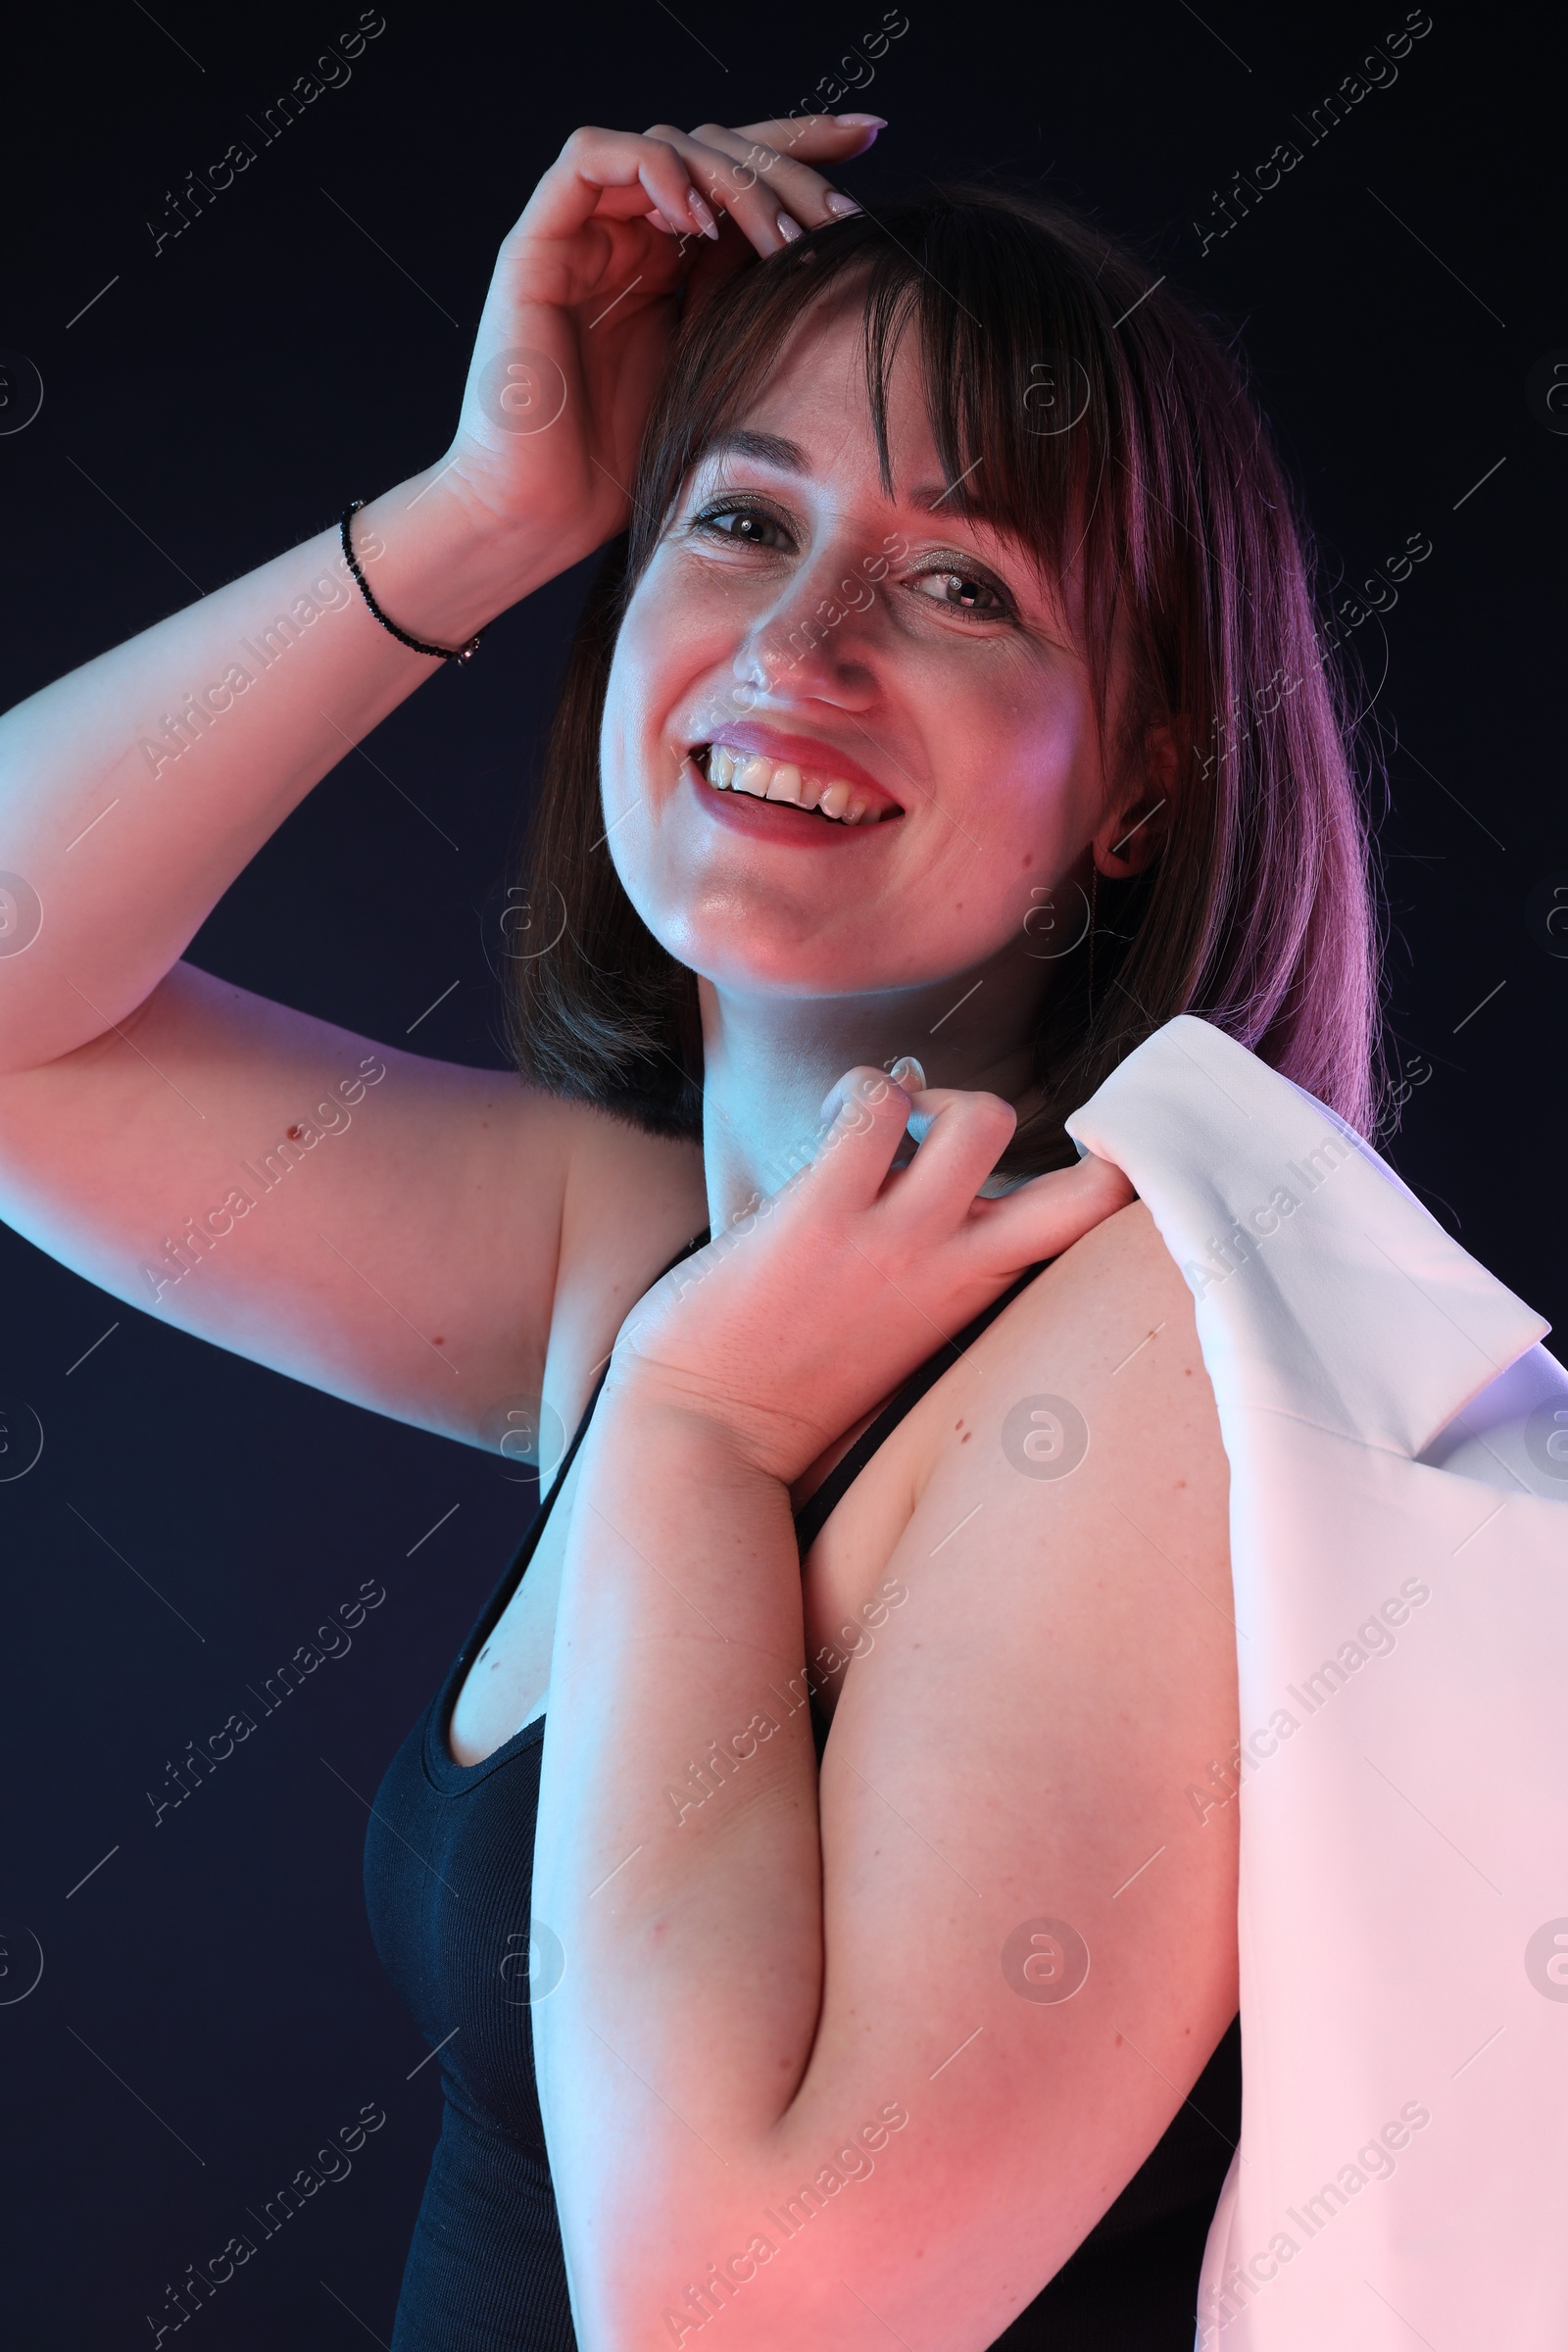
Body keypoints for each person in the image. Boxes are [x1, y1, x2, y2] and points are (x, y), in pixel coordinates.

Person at [0, 113, 1392, 2348]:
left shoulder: (1132, 1336)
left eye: (963, 584)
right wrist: (487, 511)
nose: (803, 640)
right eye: (736, 521)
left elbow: (743, 2319)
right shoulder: (626, 1247)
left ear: (1140, 778)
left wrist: (691, 1433)